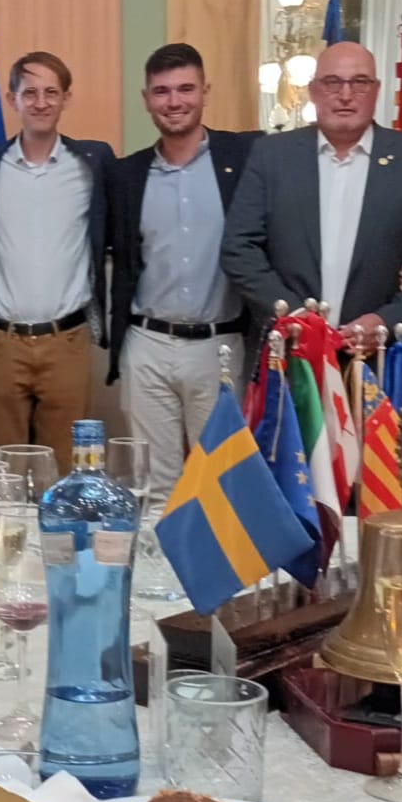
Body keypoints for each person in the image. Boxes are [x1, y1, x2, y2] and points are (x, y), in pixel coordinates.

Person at [219, 41, 402, 353]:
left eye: (360, 82)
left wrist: (386, 321)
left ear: (377, 90)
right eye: (332, 82)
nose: (345, 95)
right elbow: (239, 248)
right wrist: (291, 315)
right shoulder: (271, 155)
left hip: (379, 357)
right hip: (291, 354)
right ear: (313, 91)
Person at [108, 43, 255, 500]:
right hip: (147, 345)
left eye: (186, 89)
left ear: (205, 91)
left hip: (220, 346)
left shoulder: (246, 158)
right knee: (155, 490)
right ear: (146, 99)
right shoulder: (126, 175)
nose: (174, 101)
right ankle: (160, 552)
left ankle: (219, 554)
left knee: (221, 486)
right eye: (162, 91)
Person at [0, 51, 114, 465]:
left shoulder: (93, 164)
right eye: (30, 93)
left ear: (66, 98)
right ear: (13, 100)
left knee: (64, 474)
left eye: (51, 92)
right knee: (1, 473)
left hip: (67, 344)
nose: (41, 102)